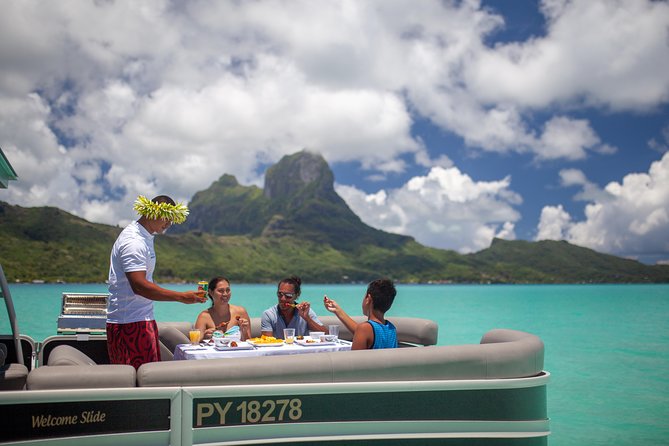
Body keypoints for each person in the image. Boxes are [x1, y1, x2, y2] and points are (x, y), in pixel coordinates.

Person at [106, 195, 207, 369]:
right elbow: (139, 286)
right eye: (167, 218)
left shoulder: (145, 237)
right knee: (138, 382)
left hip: (141, 319)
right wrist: (181, 297)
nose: (169, 224)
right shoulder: (134, 242)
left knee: (149, 377)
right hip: (129, 323)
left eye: (172, 220)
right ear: (151, 213)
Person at [323, 278, 398, 350]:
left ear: (368, 298)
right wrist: (337, 310)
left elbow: (355, 361)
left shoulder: (365, 329)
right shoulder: (391, 328)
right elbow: (367, 332)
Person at [261, 275, 327, 338]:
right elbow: (267, 342)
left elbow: (326, 334)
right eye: (280, 294)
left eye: (288, 295)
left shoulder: (306, 312)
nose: (283, 298)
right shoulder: (269, 315)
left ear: (296, 296)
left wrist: (307, 318)